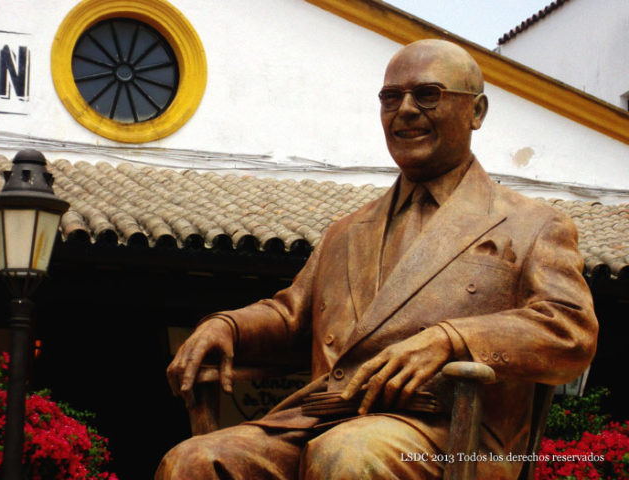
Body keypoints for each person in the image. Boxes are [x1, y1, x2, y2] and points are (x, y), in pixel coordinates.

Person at [156, 39, 597, 480]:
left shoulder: (531, 223)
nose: (405, 110)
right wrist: (226, 326)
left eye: (427, 95)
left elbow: (571, 330)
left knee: (348, 453)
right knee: (191, 462)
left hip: (453, 436)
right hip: (321, 419)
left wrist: (454, 339)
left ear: (476, 112)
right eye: (391, 97)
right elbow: (292, 317)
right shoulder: (347, 231)